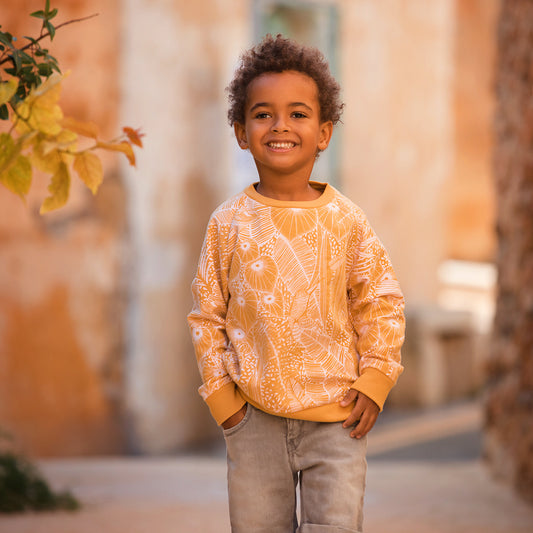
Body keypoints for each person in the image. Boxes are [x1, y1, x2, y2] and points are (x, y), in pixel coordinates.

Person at [188, 34, 405, 533]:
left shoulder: (347, 221)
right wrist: (225, 404)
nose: (280, 125)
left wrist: (375, 382)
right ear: (241, 132)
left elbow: (381, 303)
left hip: (338, 417)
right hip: (253, 420)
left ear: (324, 132)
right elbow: (206, 315)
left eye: (299, 114)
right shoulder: (228, 223)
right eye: (263, 114)